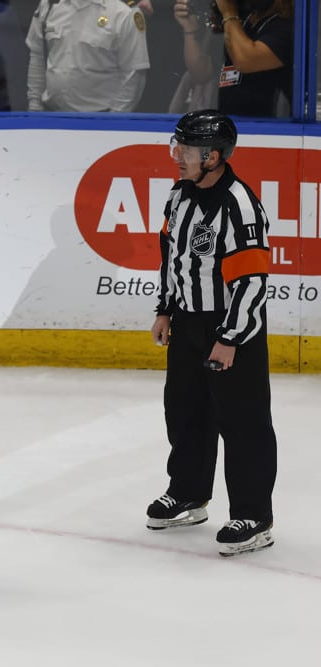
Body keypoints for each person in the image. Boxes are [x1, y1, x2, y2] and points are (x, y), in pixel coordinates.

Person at [147, 109, 277, 557]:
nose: (177, 155)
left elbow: (252, 281)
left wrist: (230, 338)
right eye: (177, 145)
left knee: (242, 422)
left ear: (214, 156)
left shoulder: (240, 203)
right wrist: (166, 310)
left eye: (187, 149)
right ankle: (188, 494)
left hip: (230, 330)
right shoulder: (179, 195)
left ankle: (253, 514)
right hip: (186, 322)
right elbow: (171, 258)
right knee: (184, 411)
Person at [25, 0, 150, 112]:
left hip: (101, 117)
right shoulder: (48, 6)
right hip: (53, 115)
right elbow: (37, 56)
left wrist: (116, 118)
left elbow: (133, 74)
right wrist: (34, 106)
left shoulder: (123, 13)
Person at [174, 0, 293, 117]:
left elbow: (245, 61)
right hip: (228, 124)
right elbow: (201, 72)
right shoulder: (242, 21)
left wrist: (228, 12)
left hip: (267, 129)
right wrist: (189, 30)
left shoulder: (288, 26)